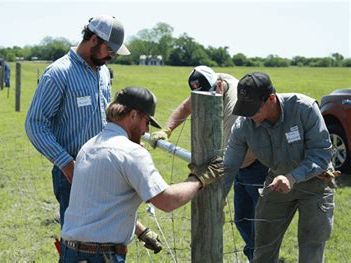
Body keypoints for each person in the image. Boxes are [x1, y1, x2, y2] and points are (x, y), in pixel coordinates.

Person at [25, 15, 162, 253]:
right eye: (110, 49)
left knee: (106, 239)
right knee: (79, 245)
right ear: (94, 39)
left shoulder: (103, 73)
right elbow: (35, 124)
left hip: (105, 168)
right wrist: (66, 164)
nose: (112, 56)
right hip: (73, 174)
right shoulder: (58, 74)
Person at [60, 86, 224, 262]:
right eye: (146, 122)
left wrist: (141, 231)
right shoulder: (131, 152)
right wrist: (200, 178)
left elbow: (100, 204)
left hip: (71, 252)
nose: (146, 131)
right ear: (133, 115)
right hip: (101, 256)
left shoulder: (89, 146)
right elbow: (167, 201)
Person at [148, 65, 268, 260]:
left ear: (219, 86)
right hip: (239, 168)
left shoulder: (234, 101)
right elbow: (187, 107)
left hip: (256, 167)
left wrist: (218, 194)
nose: (205, 100)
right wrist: (167, 130)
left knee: (260, 221)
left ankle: (262, 257)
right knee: (242, 219)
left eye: (209, 95)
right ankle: (254, 255)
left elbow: (230, 152)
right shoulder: (209, 83)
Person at [224, 72, 335, 262]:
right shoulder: (244, 125)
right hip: (277, 182)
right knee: (263, 247)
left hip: (316, 183)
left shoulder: (304, 108)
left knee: (311, 249)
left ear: (271, 99)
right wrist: (217, 200)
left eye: (254, 110)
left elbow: (322, 152)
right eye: (245, 109)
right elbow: (229, 166)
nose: (249, 116)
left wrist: (292, 177)